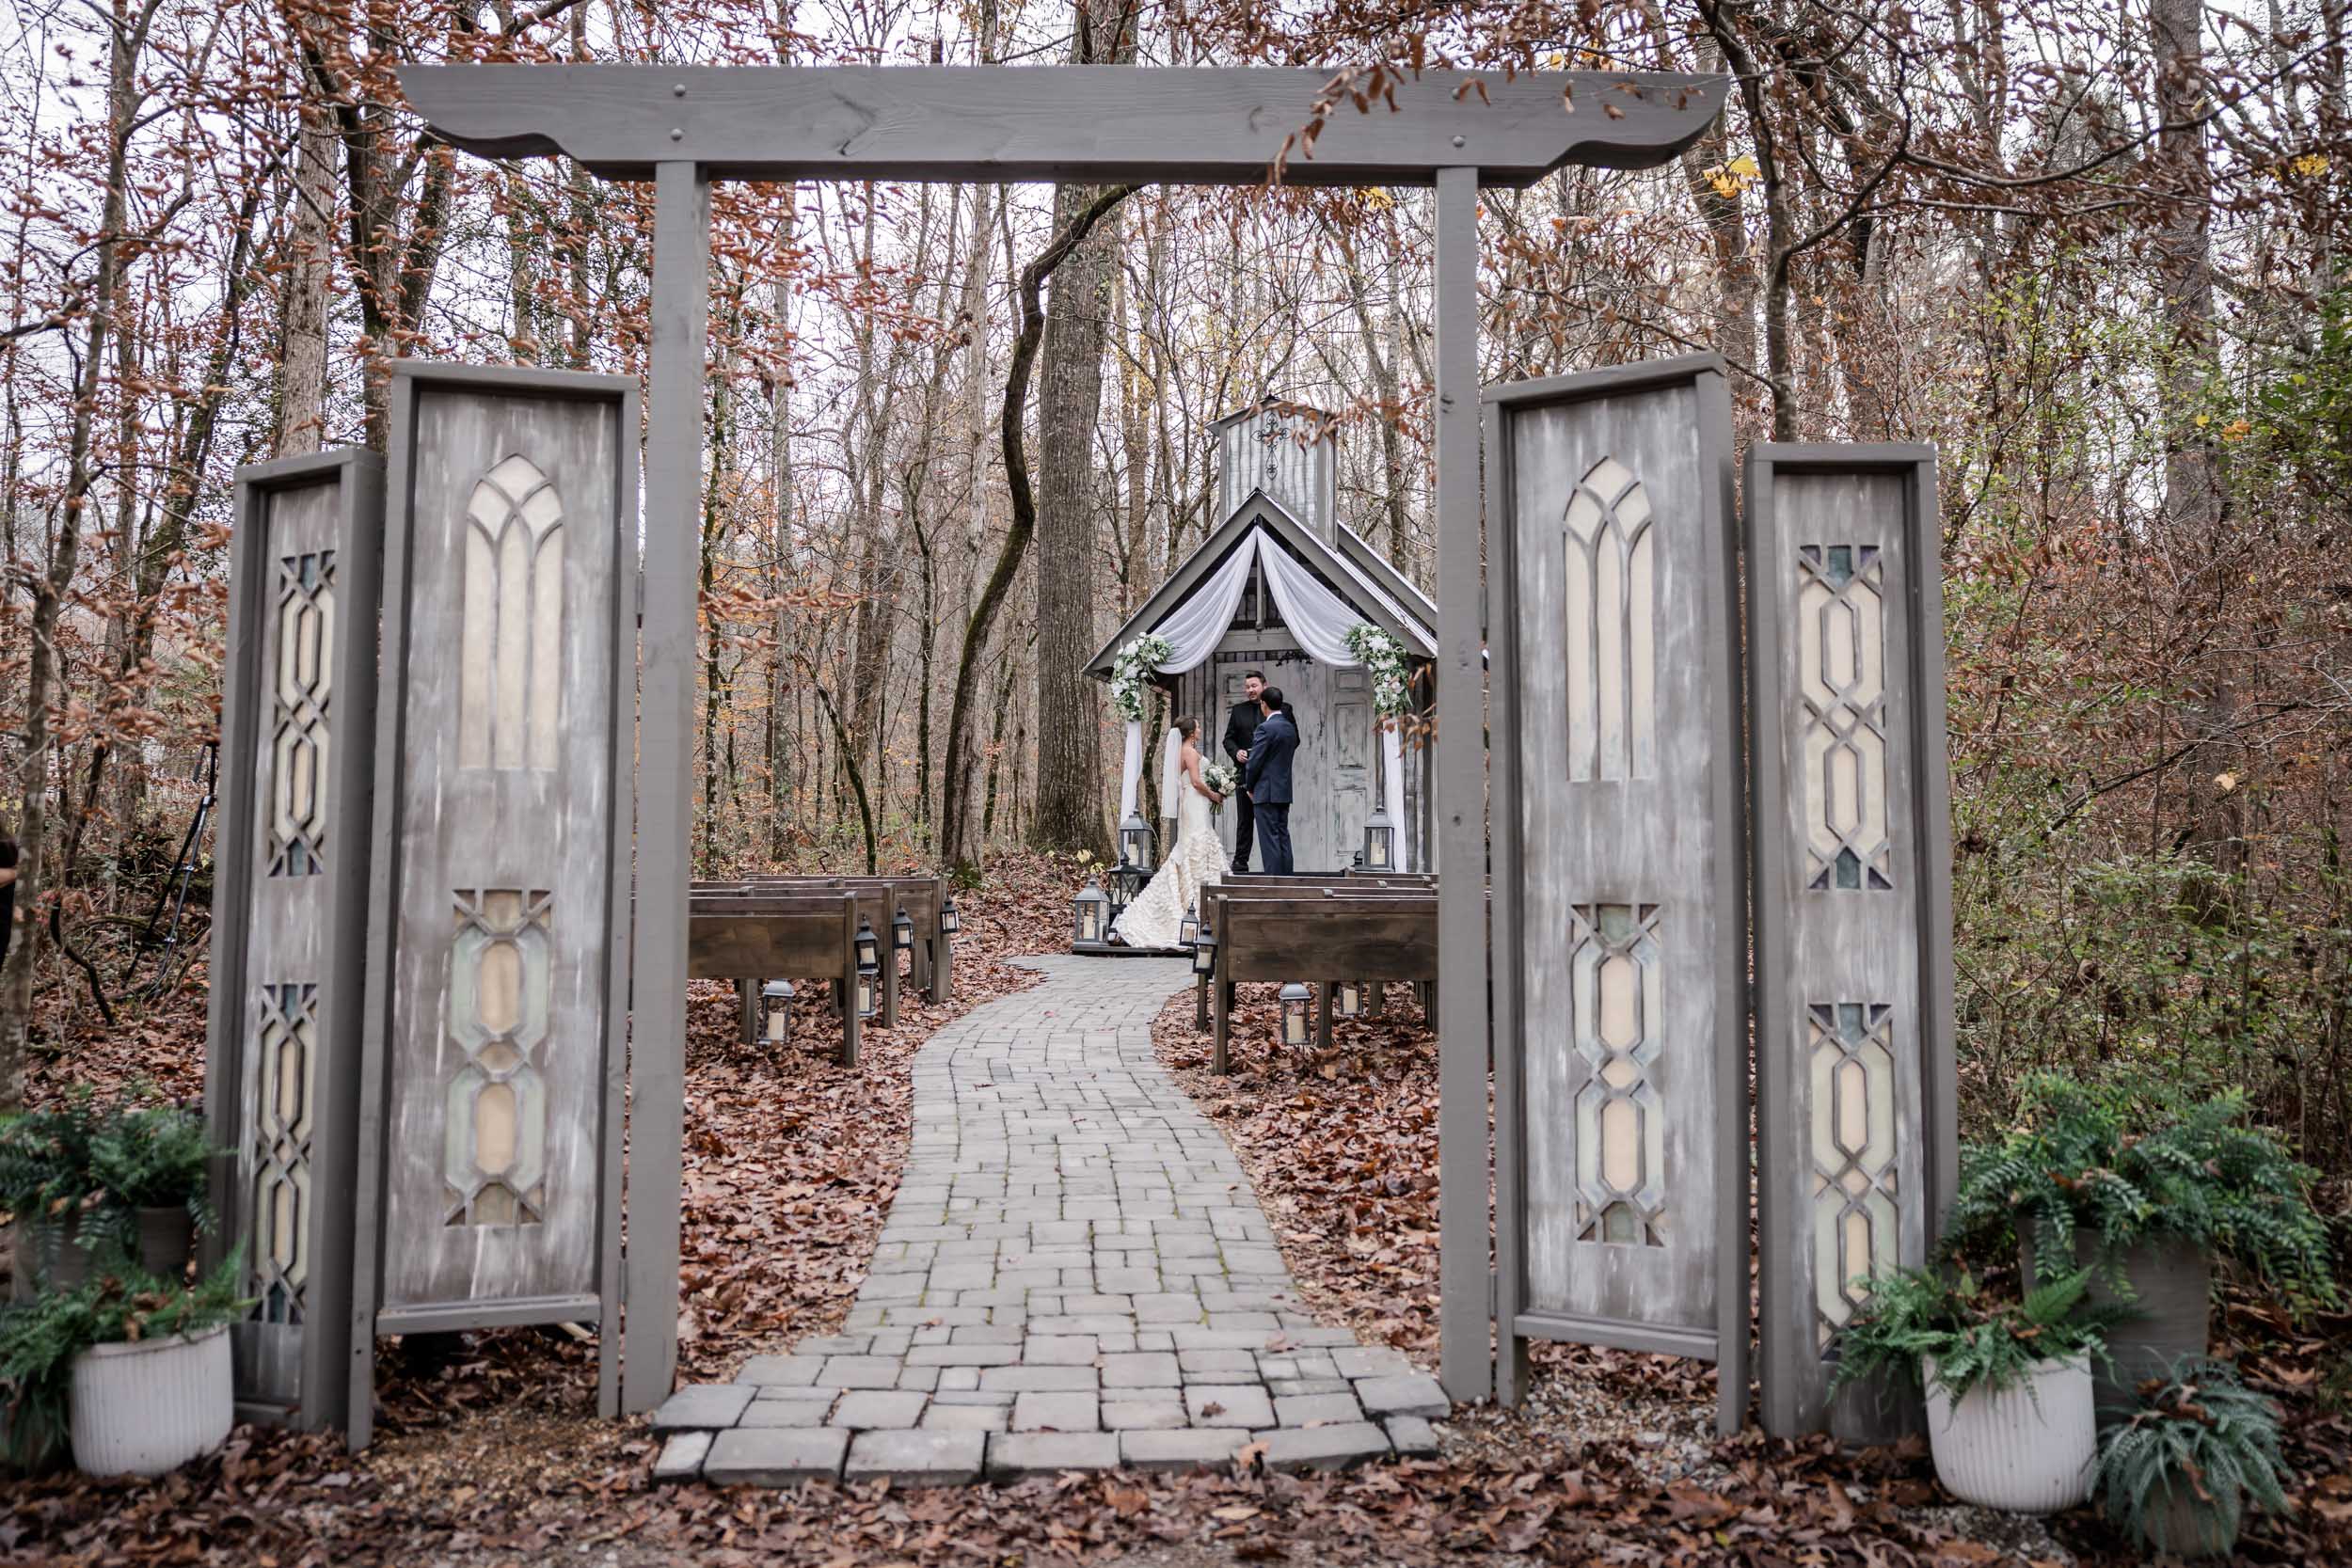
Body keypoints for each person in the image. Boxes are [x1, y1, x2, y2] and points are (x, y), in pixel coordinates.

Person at [1112, 717, 1228, 949]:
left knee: (1191, 844)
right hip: (1195, 802)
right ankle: (1199, 898)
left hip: (1190, 803)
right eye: (1198, 726)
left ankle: (1192, 895)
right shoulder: (1191, 753)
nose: (1200, 729)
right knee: (1198, 843)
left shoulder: (1181, 752)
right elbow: (1196, 781)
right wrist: (1215, 795)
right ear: (1191, 733)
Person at [1221, 671, 1280, 873]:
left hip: (1270, 776)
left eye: (1253, 686)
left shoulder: (1281, 710)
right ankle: (1240, 862)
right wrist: (1236, 752)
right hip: (1244, 774)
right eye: (1247, 687)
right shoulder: (1238, 711)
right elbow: (1228, 739)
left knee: (1272, 821)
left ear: (1264, 685)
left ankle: (1274, 866)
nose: (1250, 690)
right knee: (1244, 820)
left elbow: (1290, 741)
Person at [1242, 687, 1300, 876]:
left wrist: (1249, 787)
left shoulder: (1265, 729)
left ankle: (1273, 883)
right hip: (1283, 791)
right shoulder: (1289, 728)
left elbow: (1254, 763)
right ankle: (1288, 881)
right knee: (1283, 837)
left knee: (1270, 841)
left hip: (1266, 792)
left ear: (1263, 704)